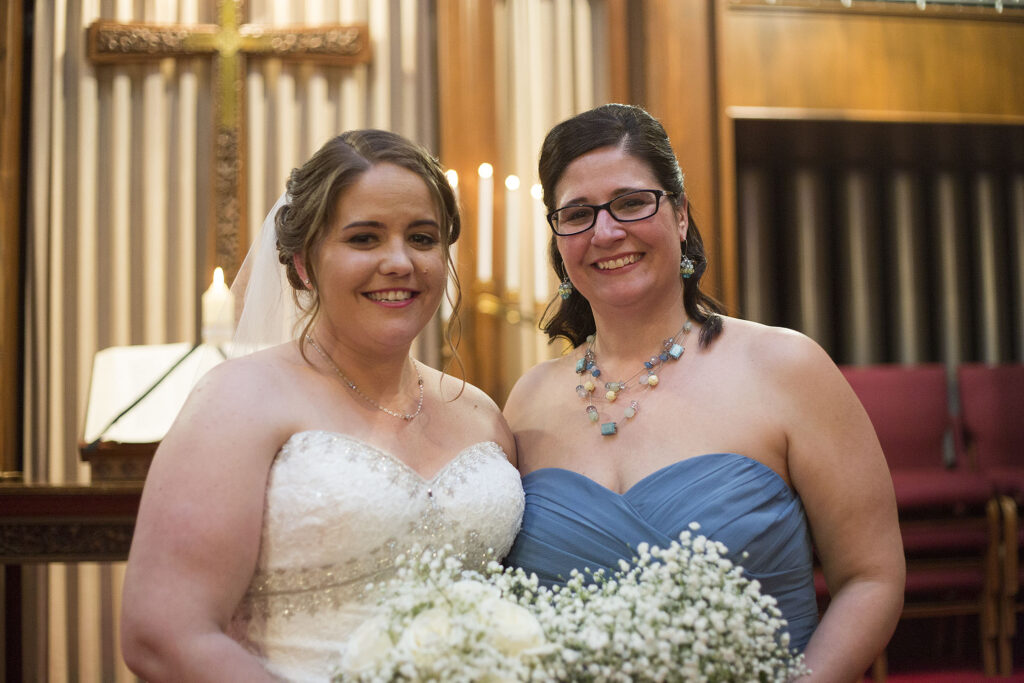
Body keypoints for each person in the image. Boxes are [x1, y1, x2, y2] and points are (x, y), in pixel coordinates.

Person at [503, 104, 905, 681]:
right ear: (558, 239)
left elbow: (872, 578)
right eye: (577, 214)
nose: (606, 231)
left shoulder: (786, 367)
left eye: (631, 202)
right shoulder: (528, 400)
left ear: (681, 214)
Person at [120, 130, 524, 682]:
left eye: (423, 238)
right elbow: (162, 634)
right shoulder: (238, 400)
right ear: (305, 263)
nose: (400, 262)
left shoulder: (482, 416)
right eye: (364, 239)